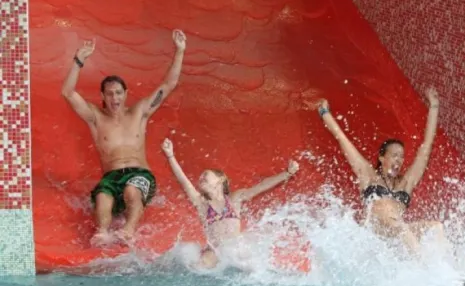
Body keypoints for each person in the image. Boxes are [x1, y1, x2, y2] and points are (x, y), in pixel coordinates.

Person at [61, 30, 187, 247]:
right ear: (102, 96)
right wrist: (78, 61)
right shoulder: (95, 117)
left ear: (126, 93)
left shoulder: (140, 112)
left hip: (139, 174)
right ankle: (102, 233)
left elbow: (169, 85)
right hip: (111, 176)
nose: (114, 98)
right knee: (102, 196)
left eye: (118, 93)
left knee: (131, 190)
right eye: (109, 93)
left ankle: (128, 230)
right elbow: (68, 93)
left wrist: (180, 51)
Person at [316, 89, 444, 256]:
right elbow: (342, 138)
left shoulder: (406, 183)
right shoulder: (368, 175)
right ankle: (430, 272)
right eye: (394, 155)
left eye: (401, 157)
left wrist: (434, 107)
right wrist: (324, 112)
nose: (399, 160)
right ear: (382, 158)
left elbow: (426, 147)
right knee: (398, 224)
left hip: (396, 236)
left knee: (436, 227)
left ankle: (451, 273)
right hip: (374, 235)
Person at [161, 138, 300, 269]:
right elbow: (184, 181)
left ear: (220, 179)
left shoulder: (234, 199)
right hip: (214, 250)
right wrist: (170, 156)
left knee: (252, 265)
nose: (201, 177)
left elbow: (260, 187)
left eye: (206, 175)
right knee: (201, 265)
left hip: (234, 248)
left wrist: (286, 173)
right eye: (200, 178)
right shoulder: (202, 204)